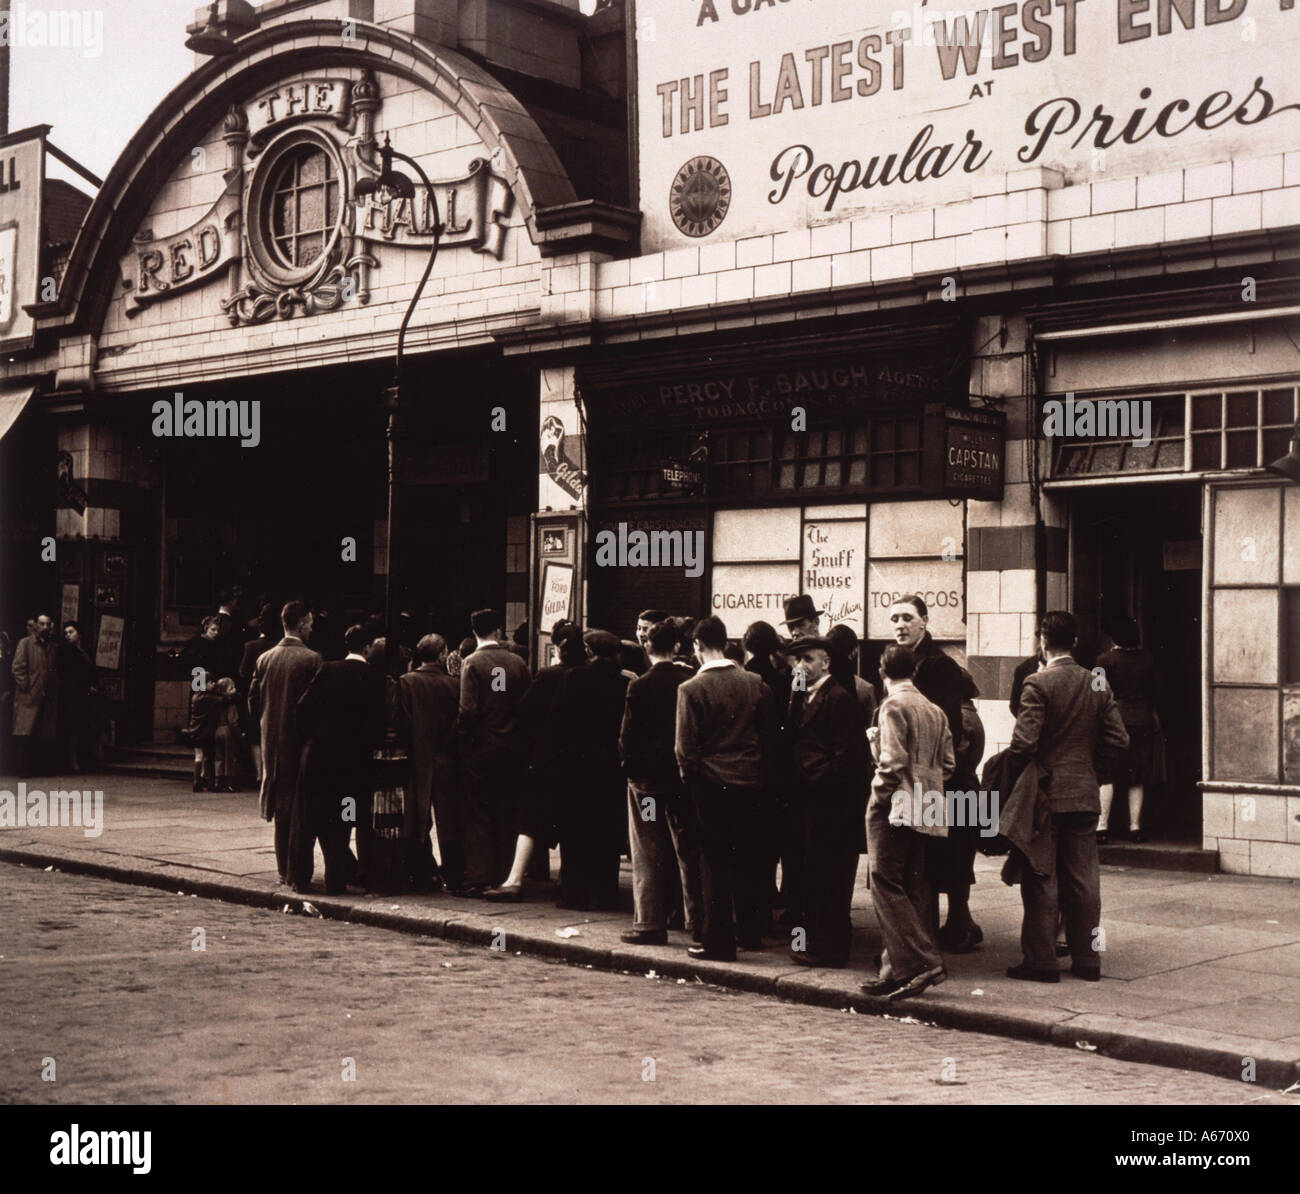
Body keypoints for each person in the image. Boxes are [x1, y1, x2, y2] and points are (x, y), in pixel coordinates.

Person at [1006, 611, 1129, 983]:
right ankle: (1088, 960)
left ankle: (1041, 961)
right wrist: (1095, 770)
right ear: (1075, 642)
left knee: (1042, 876)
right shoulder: (1096, 683)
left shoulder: (1037, 683)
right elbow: (1119, 740)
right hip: (1084, 792)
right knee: (1085, 881)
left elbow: (1023, 743)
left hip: (1046, 794)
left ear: (1043, 641)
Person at [675, 615, 778, 961]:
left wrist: (692, 780)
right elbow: (768, 736)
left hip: (710, 784)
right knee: (746, 859)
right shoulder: (755, 683)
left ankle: (718, 940)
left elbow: (684, 749)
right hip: (749, 782)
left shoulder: (690, 690)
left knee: (714, 863)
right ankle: (749, 932)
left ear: (698, 646)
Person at [862, 643, 954, 1001]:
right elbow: (948, 764)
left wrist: (877, 796)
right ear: (914, 672)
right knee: (912, 886)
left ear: (883, 673)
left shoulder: (892, 706)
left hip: (895, 804)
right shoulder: (934, 710)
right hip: (928, 803)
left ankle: (922, 961)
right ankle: (895, 970)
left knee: (884, 882)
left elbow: (893, 763)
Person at [485, 623, 587, 902]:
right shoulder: (586, 675)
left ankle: (514, 880)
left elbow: (524, 712)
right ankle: (569, 882)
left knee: (529, 821)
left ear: (556, 647)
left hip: (545, 760)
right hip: (578, 762)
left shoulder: (548, 676)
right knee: (571, 823)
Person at [784, 635, 869, 968]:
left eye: (807, 660)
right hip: (810, 803)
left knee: (828, 878)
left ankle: (830, 948)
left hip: (829, 806)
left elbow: (847, 758)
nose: (800, 667)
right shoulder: (805, 695)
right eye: (797, 661)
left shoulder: (838, 699)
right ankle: (815, 943)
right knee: (813, 876)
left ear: (825, 663)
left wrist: (812, 773)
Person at [619, 619, 703, 945]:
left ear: (647, 647)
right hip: (681, 782)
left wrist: (632, 771)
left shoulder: (639, 686)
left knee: (648, 849)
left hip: (648, 785)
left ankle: (650, 922)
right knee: (687, 849)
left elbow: (627, 738)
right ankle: (695, 921)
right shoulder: (689, 681)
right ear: (677, 647)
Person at [293, 624, 388, 894]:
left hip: (318, 759)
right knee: (343, 821)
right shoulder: (374, 677)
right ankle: (336, 880)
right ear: (368, 647)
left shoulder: (328, 669)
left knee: (309, 818)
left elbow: (302, 708)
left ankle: (301, 878)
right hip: (352, 766)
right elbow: (377, 726)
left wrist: (311, 738)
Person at [549, 630, 630, 910]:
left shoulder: (574, 678)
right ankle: (605, 893)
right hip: (609, 767)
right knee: (606, 832)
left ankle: (574, 893)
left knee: (576, 830)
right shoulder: (623, 683)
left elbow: (559, 720)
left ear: (588, 650)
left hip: (576, 765)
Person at [456, 609, 531, 893]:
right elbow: (526, 704)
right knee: (507, 809)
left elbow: (467, 710)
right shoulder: (517, 662)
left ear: (474, 632)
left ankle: (480, 875)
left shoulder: (471, 663)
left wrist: (465, 740)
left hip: (481, 750)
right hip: (512, 748)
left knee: (479, 811)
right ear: (499, 630)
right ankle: (505, 870)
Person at [248, 601, 322, 886]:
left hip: (271, 741)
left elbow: (253, 701)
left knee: (281, 809)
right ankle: (297, 870)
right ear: (301, 623)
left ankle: (282, 869)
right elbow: (315, 705)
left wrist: (267, 720)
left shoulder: (264, 659)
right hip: (301, 744)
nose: (312, 628)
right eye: (311, 623)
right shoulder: (312, 659)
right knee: (301, 809)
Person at [398, 634, 461, 891]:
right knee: (449, 821)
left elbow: (403, 722)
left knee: (416, 820)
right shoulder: (454, 685)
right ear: (442, 654)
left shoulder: (407, 683)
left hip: (417, 759)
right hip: (447, 758)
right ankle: (455, 873)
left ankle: (423, 872)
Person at [931, 669, 986, 953]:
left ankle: (962, 926)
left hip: (960, 794)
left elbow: (956, 756)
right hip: (969, 793)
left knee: (956, 864)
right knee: (959, 863)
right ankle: (961, 925)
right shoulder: (970, 713)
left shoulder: (961, 717)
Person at [1095, 617, 1163, 843]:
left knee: (1107, 775)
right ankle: (1135, 827)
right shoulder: (1149, 660)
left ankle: (1101, 827)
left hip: (1114, 721)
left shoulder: (1102, 661)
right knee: (1138, 776)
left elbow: (1095, 693)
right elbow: (1156, 691)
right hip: (1143, 721)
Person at [11, 614, 59, 777]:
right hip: (29, 696)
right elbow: (18, 668)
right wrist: (27, 687)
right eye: (41, 624)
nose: (44, 627)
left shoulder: (52, 646)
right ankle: (23, 769)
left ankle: (37, 768)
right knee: (25, 733)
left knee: (41, 733)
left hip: (45, 696)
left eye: (47, 624)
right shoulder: (25, 643)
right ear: (36, 626)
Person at [57, 621, 96, 773]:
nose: (68, 635)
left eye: (71, 632)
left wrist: (93, 685)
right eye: (66, 633)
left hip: (85, 696)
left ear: (78, 633)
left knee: (81, 728)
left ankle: (83, 759)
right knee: (72, 729)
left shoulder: (85, 652)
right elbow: (69, 675)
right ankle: (72, 761)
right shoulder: (66, 652)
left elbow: (91, 671)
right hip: (72, 695)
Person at [209, 677, 245, 792]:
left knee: (219, 757)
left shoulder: (216, 702)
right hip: (228, 731)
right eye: (232, 688)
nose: (234, 690)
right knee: (230, 757)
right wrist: (239, 735)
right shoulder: (231, 704)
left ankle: (218, 782)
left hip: (217, 730)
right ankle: (230, 783)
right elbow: (232, 721)